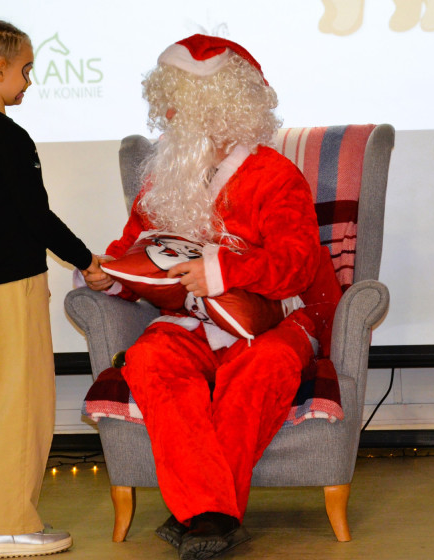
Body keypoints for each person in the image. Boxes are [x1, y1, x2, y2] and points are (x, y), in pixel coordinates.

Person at [84, 35, 322, 560]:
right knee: (148, 359)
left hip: (270, 323)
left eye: (181, 103)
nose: (168, 115)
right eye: (166, 102)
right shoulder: (162, 181)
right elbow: (133, 251)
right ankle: (211, 515)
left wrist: (221, 269)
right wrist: (112, 278)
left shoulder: (275, 176)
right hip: (190, 326)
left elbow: (298, 264)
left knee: (261, 370)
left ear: (222, 107)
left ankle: (203, 514)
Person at [0, 19, 101, 558]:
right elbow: (35, 216)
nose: (30, 81)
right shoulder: (9, 137)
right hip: (11, 285)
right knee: (23, 405)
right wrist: (88, 261)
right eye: (25, 70)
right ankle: (12, 524)